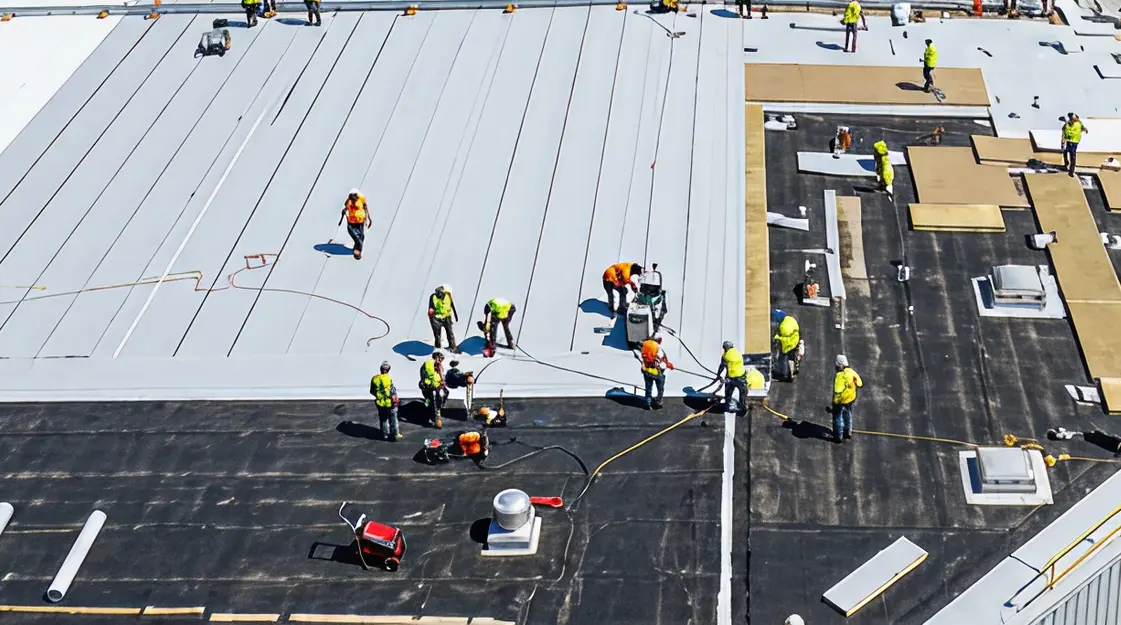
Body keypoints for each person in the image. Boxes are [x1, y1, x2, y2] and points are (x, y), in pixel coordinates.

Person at [832, 354, 864, 443]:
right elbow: (860, 383)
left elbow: (838, 391)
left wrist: (835, 401)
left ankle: (838, 436)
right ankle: (848, 432)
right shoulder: (852, 372)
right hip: (850, 399)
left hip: (841, 401)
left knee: (838, 418)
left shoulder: (840, 376)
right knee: (848, 415)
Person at [640, 335, 674, 410]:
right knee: (660, 389)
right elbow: (660, 363)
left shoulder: (645, 346)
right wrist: (670, 366)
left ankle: (647, 403)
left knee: (648, 388)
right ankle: (658, 403)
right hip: (657, 373)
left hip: (646, 371)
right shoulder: (658, 349)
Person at [370, 361, 400, 441]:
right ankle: (395, 435)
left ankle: (385, 434)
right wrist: (394, 398)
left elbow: (372, 391)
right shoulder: (388, 378)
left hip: (380, 403)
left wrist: (379, 396)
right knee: (394, 418)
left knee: (383, 419)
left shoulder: (375, 379)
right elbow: (391, 392)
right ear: (388, 370)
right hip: (390, 402)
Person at [716, 341, 748, 414]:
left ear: (725, 348)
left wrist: (718, 375)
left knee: (728, 392)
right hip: (741, 376)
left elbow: (722, 366)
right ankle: (742, 407)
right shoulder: (738, 353)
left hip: (731, 378)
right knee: (743, 392)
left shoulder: (725, 355)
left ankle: (728, 405)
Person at [339, 189, 371, 260]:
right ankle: (358, 251)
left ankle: (357, 249)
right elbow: (346, 207)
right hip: (351, 222)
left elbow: (365, 207)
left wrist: (368, 218)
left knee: (361, 236)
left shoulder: (361, 199)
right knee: (356, 237)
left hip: (360, 221)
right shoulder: (349, 201)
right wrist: (344, 211)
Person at [419, 351, 448, 429]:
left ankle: (435, 413)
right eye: (441, 358)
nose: (441, 360)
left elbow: (440, 375)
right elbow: (431, 375)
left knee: (442, 396)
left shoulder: (437, 365)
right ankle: (432, 418)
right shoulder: (429, 364)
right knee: (431, 402)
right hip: (429, 387)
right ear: (437, 357)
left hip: (434, 386)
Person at [428, 285, 458, 351]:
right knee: (437, 335)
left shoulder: (448, 296)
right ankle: (437, 349)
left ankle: (452, 347)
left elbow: (452, 305)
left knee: (450, 333)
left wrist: (455, 316)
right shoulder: (433, 297)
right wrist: (431, 314)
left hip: (447, 317)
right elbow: (430, 308)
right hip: (436, 318)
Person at [773, 312, 800, 381]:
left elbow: (785, 340)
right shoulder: (790, 319)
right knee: (792, 358)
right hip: (795, 340)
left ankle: (784, 375)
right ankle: (791, 373)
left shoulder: (783, 327)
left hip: (789, 345)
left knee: (784, 359)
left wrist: (778, 337)